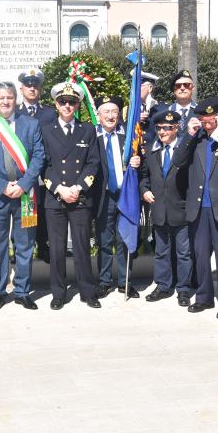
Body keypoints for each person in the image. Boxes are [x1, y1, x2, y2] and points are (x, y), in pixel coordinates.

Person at [0, 81, 45, 311]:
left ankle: (23, 291)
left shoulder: (31, 124)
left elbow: (39, 158)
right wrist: (3, 186)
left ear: (16, 99)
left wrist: (23, 185)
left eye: (10, 97)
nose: (6, 101)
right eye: (1, 97)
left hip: (26, 196)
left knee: (25, 245)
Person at [175, 96, 218, 319]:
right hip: (199, 207)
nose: (208, 124)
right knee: (201, 255)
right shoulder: (195, 139)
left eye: (211, 119)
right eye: (204, 119)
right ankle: (204, 297)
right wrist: (188, 134)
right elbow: (178, 161)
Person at [41, 82, 101, 310]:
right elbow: (43, 164)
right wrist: (59, 188)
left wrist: (78, 188)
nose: (67, 105)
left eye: (72, 102)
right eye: (63, 101)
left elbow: (93, 163)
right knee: (56, 249)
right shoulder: (46, 130)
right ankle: (58, 293)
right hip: (55, 197)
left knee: (82, 247)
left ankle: (88, 291)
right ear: (56, 104)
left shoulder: (87, 130)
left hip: (80, 197)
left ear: (78, 104)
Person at [140, 109, 193, 306]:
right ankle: (163, 286)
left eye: (168, 128)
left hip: (181, 209)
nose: (163, 132)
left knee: (183, 253)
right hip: (160, 211)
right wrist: (144, 190)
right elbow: (144, 176)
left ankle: (183, 289)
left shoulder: (183, 150)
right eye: (160, 128)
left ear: (176, 128)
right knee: (161, 251)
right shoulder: (152, 150)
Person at [93, 95, 140, 299]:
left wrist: (138, 161)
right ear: (99, 115)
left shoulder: (130, 139)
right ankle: (104, 281)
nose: (111, 116)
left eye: (114, 112)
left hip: (125, 196)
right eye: (106, 112)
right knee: (104, 241)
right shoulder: (92, 138)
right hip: (104, 197)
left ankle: (124, 282)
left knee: (124, 239)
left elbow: (142, 166)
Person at [17, 68, 54, 263]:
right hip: (23, 172)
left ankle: (43, 245)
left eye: (36, 85)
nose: (32, 88)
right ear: (21, 88)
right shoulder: (14, 113)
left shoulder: (49, 113)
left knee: (43, 209)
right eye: (28, 85)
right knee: (24, 211)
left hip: (45, 172)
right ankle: (21, 248)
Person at [169, 70, 197, 134]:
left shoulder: (200, 113)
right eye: (178, 85)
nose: (182, 88)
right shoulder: (167, 111)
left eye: (186, 85)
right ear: (174, 90)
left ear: (193, 88)